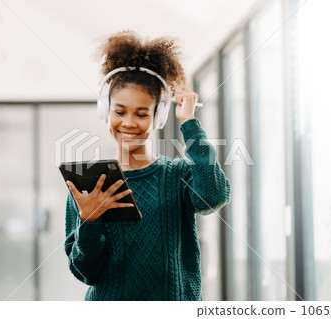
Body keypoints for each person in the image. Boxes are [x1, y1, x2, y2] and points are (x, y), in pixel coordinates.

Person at [64, 30, 231, 301]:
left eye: (141, 114)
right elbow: (87, 272)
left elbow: (214, 196)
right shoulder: (89, 183)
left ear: (159, 117)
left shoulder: (178, 175)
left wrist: (189, 122)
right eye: (119, 112)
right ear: (105, 112)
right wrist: (89, 220)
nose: (129, 122)